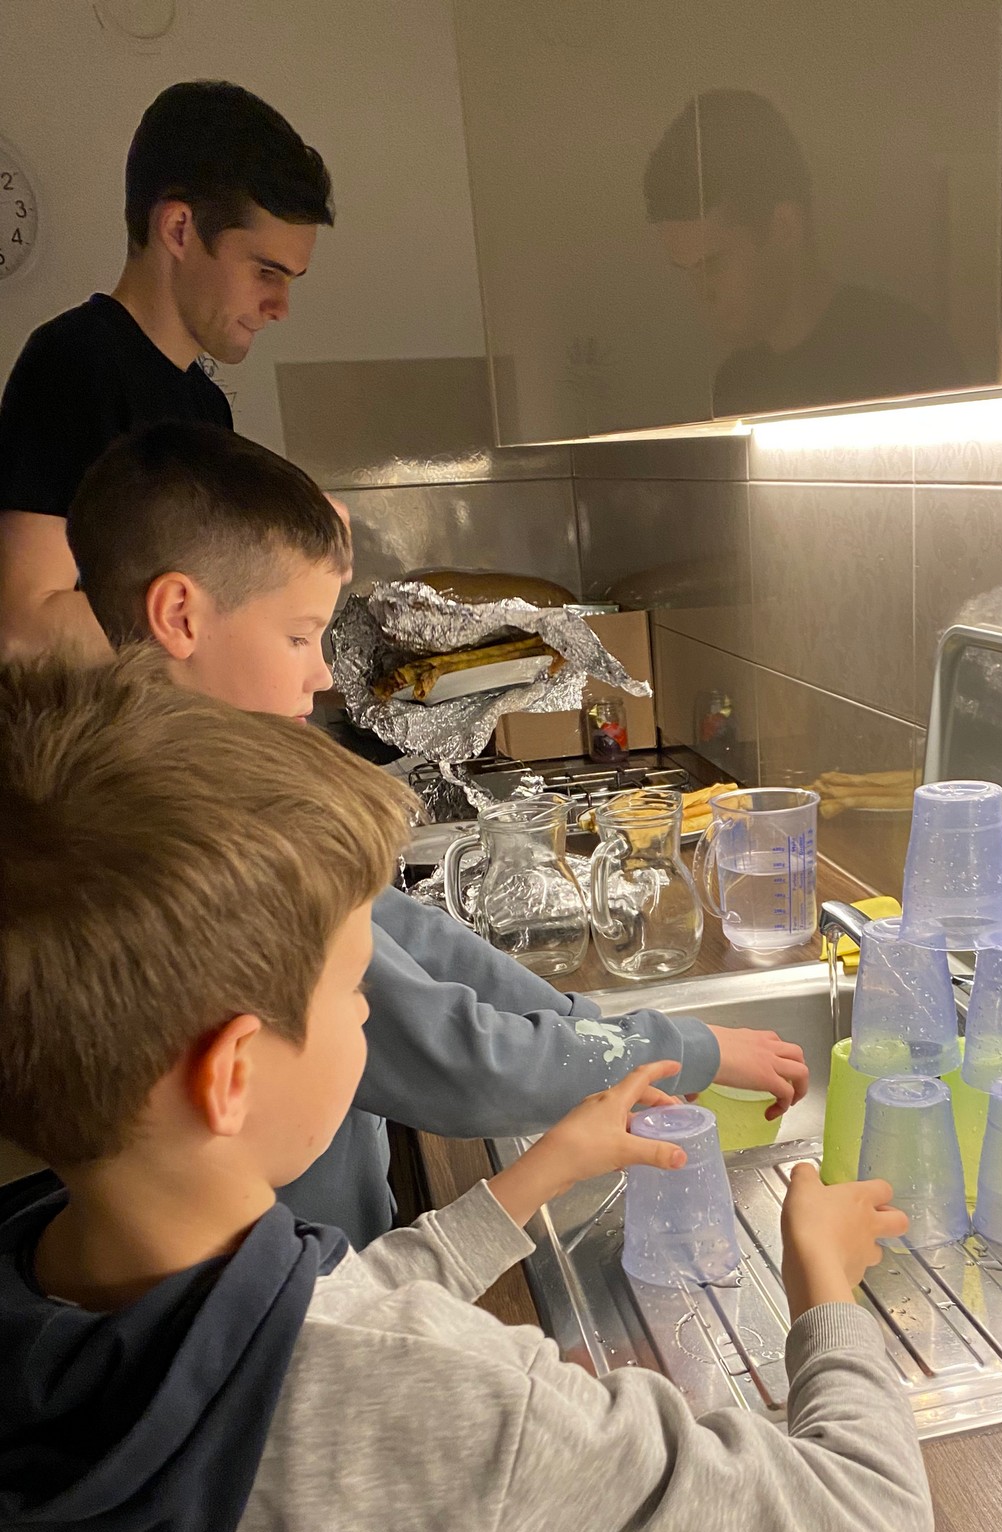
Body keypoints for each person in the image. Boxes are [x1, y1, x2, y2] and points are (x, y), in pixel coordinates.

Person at [0, 655, 930, 1532]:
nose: (370, 1013)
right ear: (233, 1073)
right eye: (353, 991)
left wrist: (526, 1185)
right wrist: (826, 1290)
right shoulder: (442, 1409)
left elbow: (291, 1335)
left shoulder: (48, 1300)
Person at [67, 420, 811, 1245]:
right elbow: (455, 1061)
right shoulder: (210, 840)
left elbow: (407, 933)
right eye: (298, 636)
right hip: (289, 1282)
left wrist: (589, 1031)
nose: (321, 673)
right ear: (179, 614)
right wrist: (681, 1049)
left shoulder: (197, 786)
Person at [0, 80, 332, 666]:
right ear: (179, 229)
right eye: (265, 272)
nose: (280, 307)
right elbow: (24, 628)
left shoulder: (206, 406)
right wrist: (232, 617)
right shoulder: (73, 364)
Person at [644, 88, 966, 418]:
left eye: (713, 263)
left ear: (785, 226)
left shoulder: (909, 354)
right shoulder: (736, 385)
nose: (703, 293)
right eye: (688, 270)